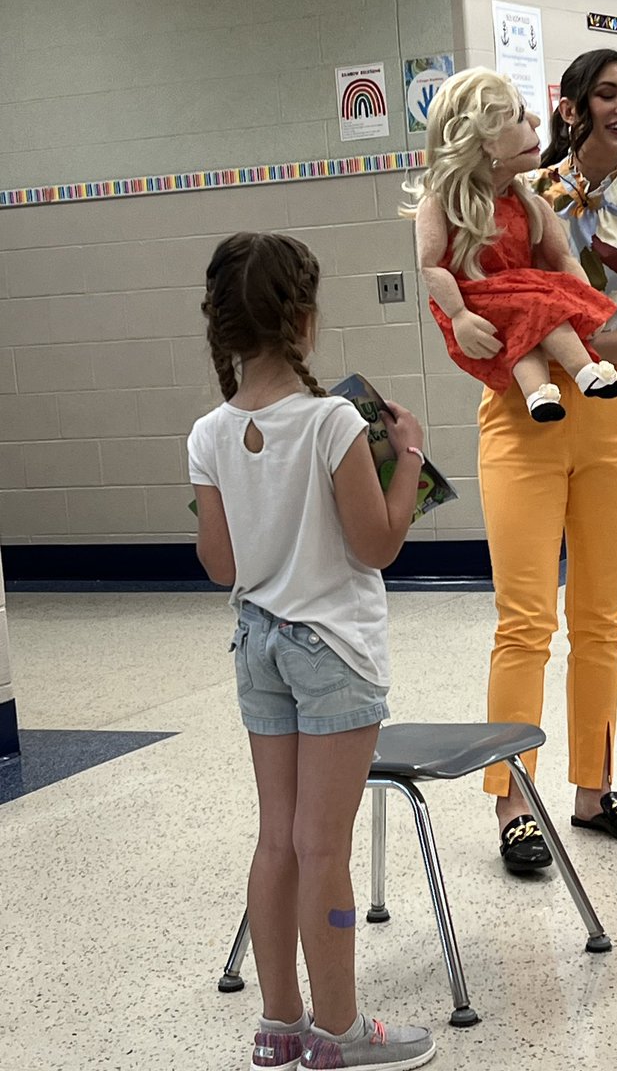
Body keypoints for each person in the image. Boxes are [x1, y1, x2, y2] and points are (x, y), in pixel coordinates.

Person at [187, 232, 436, 1070]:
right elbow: (377, 545)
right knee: (325, 844)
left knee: (279, 841)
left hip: (256, 645)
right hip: (333, 650)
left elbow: (220, 566)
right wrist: (409, 460)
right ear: (304, 318)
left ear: (223, 327)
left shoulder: (208, 434)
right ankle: (339, 1033)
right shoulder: (333, 421)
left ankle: (280, 1024)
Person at [477, 49, 617, 871]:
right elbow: (482, 299)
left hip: (612, 418)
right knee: (524, 620)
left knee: (600, 621)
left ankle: (594, 792)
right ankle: (513, 804)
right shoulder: (519, 196)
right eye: (606, 93)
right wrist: (550, 343)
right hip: (519, 417)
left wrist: (565, 341)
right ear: (569, 108)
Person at [405, 66, 617, 424]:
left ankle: (540, 394)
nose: (537, 120)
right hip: (476, 299)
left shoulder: (529, 203)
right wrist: (459, 315)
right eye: (520, 117)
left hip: (518, 295)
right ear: (485, 143)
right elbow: (431, 265)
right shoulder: (442, 204)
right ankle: (584, 371)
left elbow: (563, 258)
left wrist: (587, 303)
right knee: (539, 306)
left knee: (531, 317)